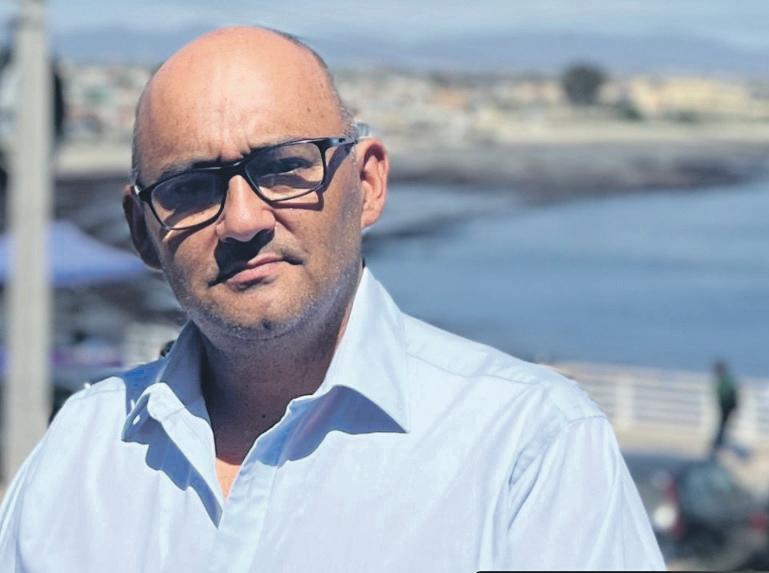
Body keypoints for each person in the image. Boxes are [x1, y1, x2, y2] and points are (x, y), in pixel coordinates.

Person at [0, 27, 664, 571]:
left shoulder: (526, 449)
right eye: (191, 187)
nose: (242, 220)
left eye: (283, 167)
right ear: (142, 231)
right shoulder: (82, 453)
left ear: (367, 185)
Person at [712, 360, 739, 453]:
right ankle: (719, 440)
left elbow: (727, 393)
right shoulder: (725, 380)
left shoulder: (725, 380)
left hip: (726, 405)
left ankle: (719, 441)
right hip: (725, 405)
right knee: (723, 424)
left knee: (723, 424)